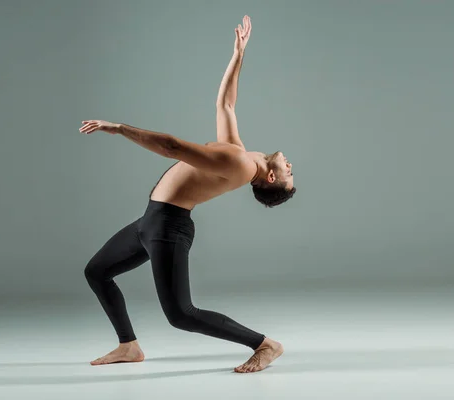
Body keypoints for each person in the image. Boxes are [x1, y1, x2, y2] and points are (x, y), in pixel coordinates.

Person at [80, 15, 294, 374]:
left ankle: (265, 344)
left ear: (270, 177)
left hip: (168, 228)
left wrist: (118, 128)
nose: (291, 165)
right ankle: (128, 346)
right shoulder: (242, 155)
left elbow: (170, 145)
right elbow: (225, 104)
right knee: (97, 272)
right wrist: (239, 53)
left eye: (289, 174)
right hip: (150, 221)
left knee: (181, 314)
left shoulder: (239, 164)